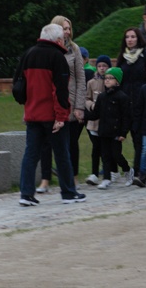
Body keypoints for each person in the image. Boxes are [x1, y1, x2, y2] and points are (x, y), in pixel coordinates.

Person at [15, 23, 86, 206]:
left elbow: (18, 87)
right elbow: (60, 91)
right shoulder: (57, 57)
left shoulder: (27, 55)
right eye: (62, 38)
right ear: (57, 40)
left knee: (31, 154)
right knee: (62, 153)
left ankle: (26, 194)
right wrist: (61, 117)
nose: (63, 41)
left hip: (32, 114)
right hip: (52, 116)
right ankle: (68, 192)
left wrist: (27, 106)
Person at [36, 15, 87, 194]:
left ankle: (72, 177)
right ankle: (45, 179)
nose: (67, 32)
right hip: (50, 101)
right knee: (46, 143)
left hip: (70, 100)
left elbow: (81, 78)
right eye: (64, 28)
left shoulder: (74, 49)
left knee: (71, 142)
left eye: (69, 28)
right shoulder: (47, 50)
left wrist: (80, 105)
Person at [118, 26, 146, 184]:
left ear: (138, 38)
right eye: (127, 37)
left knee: (141, 138)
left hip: (143, 102)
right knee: (134, 137)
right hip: (127, 103)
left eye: (133, 36)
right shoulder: (123, 58)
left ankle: (142, 171)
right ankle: (137, 169)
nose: (130, 39)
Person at [84, 67, 132, 190]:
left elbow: (126, 117)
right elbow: (96, 113)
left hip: (116, 131)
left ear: (117, 81)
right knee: (105, 155)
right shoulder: (102, 97)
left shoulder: (122, 97)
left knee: (116, 155)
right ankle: (106, 179)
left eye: (111, 78)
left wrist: (124, 132)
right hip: (104, 131)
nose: (107, 80)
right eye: (106, 78)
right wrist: (84, 115)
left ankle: (127, 170)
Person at [83, 55, 112, 186]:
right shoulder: (91, 82)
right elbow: (86, 98)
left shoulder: (111, 82)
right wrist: (91, 105)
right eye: (99, 66)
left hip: (107, 121)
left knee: (107, 149)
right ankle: (94, 173)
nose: (102, 69)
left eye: (104, 66)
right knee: (96, 148)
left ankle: (109, 174)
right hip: (94, 121)